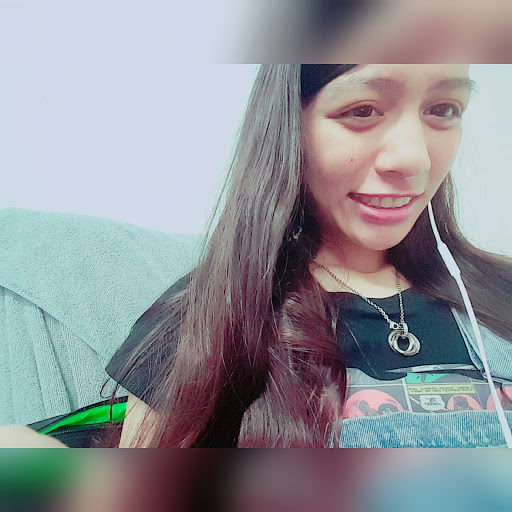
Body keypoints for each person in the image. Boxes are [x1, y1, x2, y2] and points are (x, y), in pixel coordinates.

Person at [2, 64, 511, 448]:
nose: (415, 158)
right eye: (362, 111)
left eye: (443, 109)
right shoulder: (211, 315)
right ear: (290, 126)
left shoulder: (500, 293)